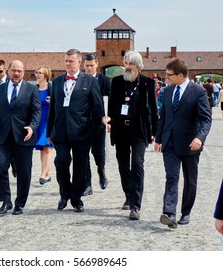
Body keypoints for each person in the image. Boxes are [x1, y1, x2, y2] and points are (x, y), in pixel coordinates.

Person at [154, 59, 212, 229]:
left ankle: (186, 212)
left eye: (169, 75)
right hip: (170, 142)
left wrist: (199, 138)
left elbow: (205, 119)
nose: (166, 78)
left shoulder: (198, 92)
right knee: (172, 177)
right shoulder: (168, 91)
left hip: (190, 144)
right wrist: (158, 139)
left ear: (180, 75)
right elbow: (163, 116)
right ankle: (170, 214)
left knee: (190, 180)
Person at [46, 49, 103, 213]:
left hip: (82, 131)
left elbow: (97, 108)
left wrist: (95, 131)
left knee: (80, 166)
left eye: (71, 61)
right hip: (61, 131)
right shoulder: (56, 82)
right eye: (66, 61)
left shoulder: (89, 81)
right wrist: (50, 132)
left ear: (79, 62)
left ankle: (76, 198)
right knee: (61, 162)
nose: (68, 64)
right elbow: (52, 110)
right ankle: (65, 193)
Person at [107, 50, 158, 220]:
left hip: (139, 130)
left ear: (138, 66)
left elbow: (153, 109)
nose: (127, 67)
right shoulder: (116, 82)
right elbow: (112, 105)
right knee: (123, 165)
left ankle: (135, 206)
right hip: (121, 129)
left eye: (130, 64)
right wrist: (110, 121)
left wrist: (154, 132)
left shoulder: (147, 84)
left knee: (137, 164)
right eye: (125, 63)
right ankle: (128, 195)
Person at [0, 60, 41, 215]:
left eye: (20, 71)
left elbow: (37, 112)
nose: (16, 74)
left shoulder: (31, 90)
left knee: (24, 172)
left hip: (23, 136)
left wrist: (32, 127)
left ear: (24, 72)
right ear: (8, 71)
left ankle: (20, 203)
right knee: (0, 167)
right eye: (14, 70)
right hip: (2, 137)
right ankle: (5, 201)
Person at [82, 54, 111, 196]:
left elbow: (111, 100)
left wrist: (109, 117)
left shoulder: (104, 81)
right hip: (82, 123)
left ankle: (101, 171)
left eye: (91, 65)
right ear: (83, 65)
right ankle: (87, 184)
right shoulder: (80, 80)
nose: (89, 68)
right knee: (83, 154)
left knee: (98, 152)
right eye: (87, 65)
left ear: (96, 64)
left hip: (99, 122)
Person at [34, 66, 54, 185]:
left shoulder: (52, 89)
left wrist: (52, 102)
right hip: (38, 122)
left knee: (47, 146)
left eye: (40, 73)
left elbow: (60, 103)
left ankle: (42, 175)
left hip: (49, 121)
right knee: (42, 148)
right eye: (36, 72)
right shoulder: (34, 89)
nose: (37, 75)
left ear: (46, 75)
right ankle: (47, 174)